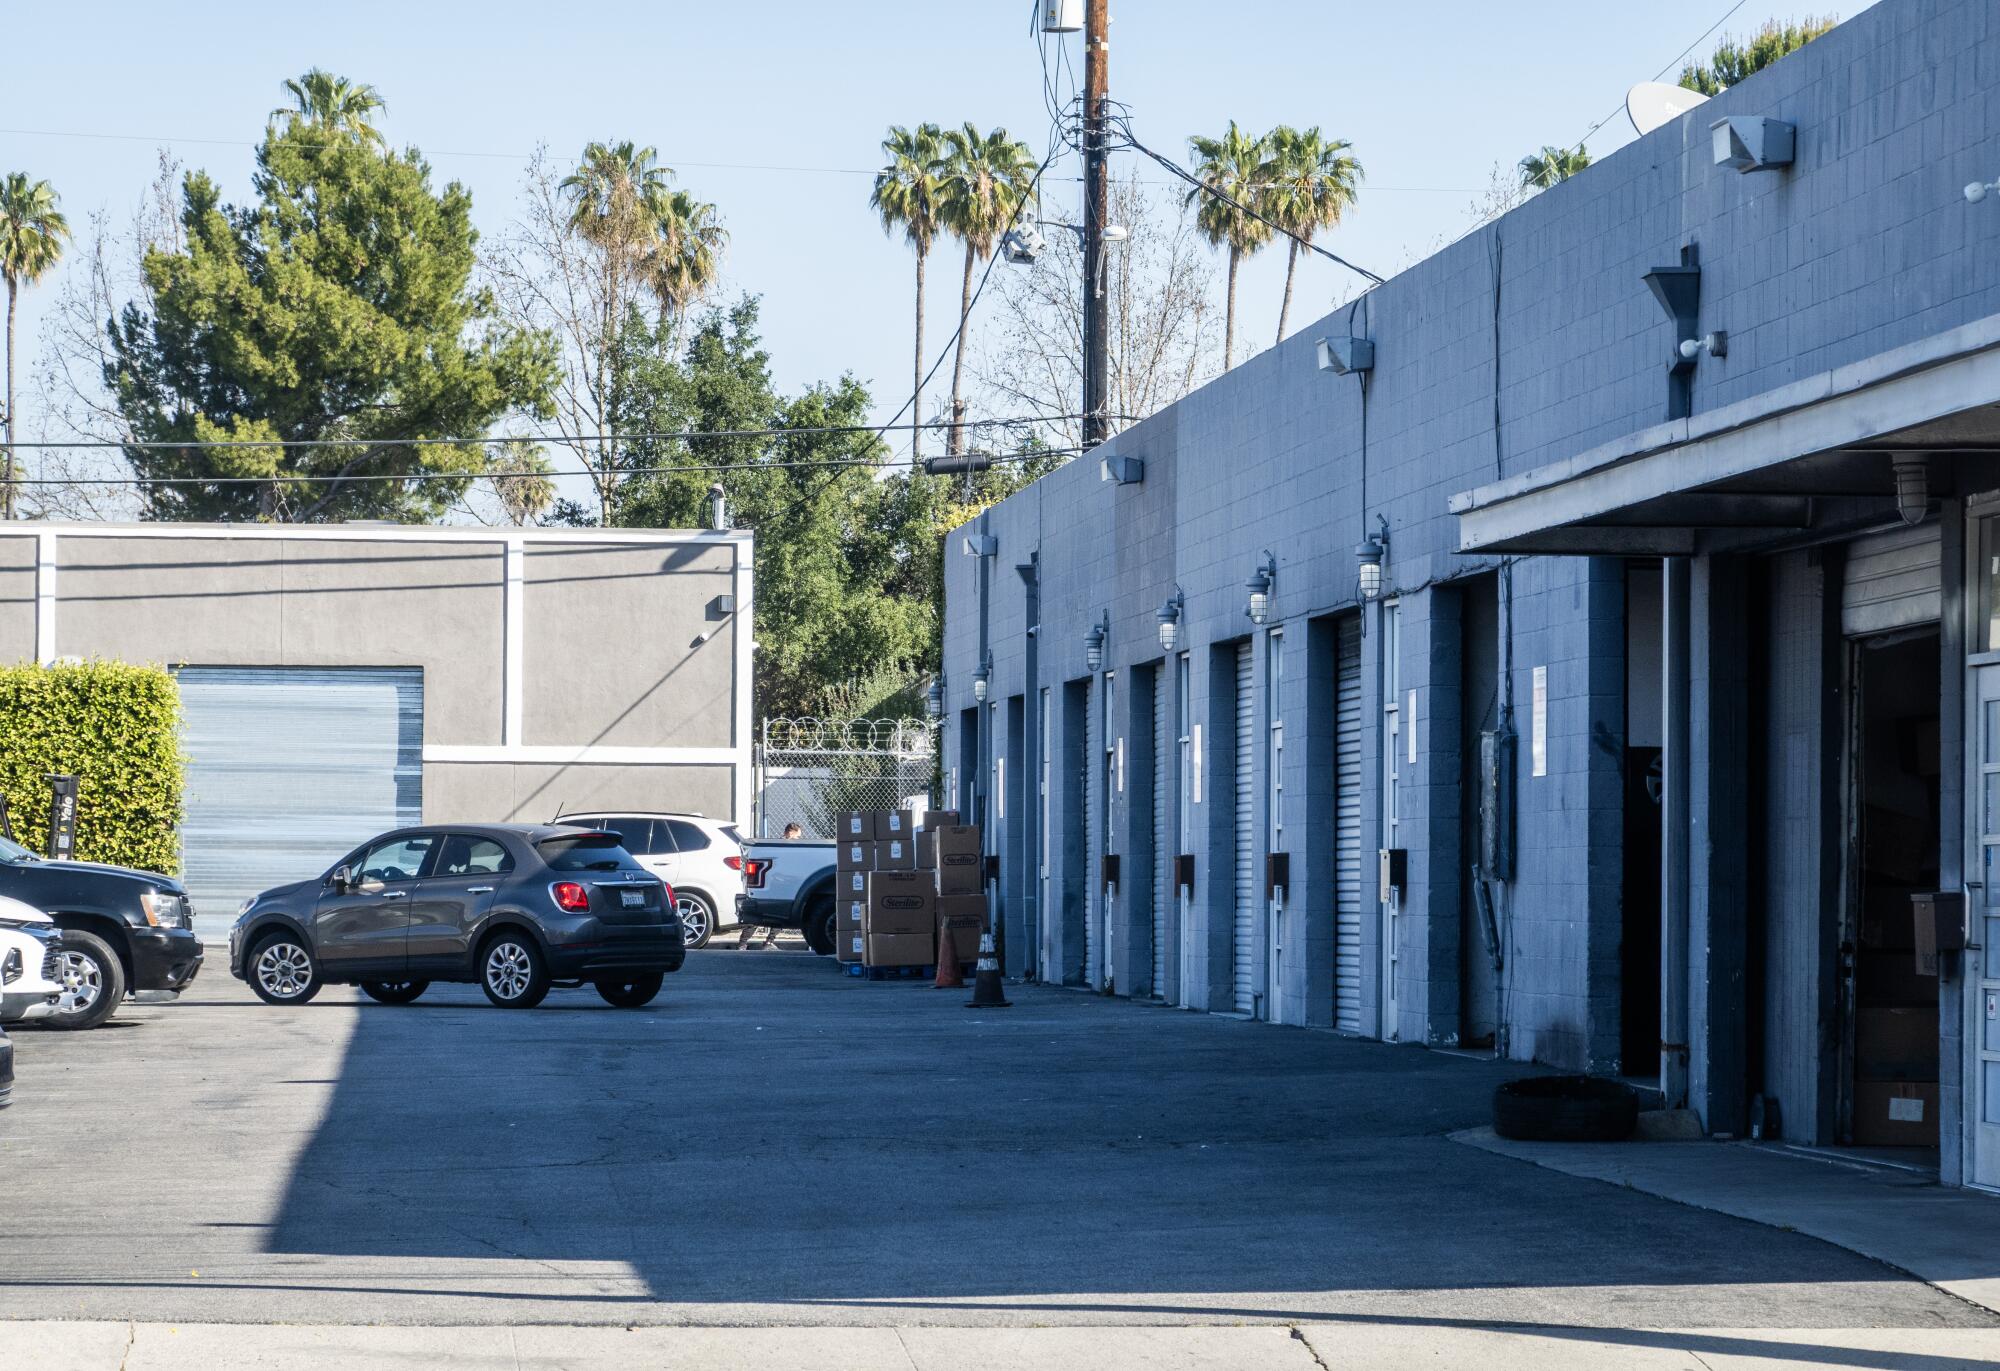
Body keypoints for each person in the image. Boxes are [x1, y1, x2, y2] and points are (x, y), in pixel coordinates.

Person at [738, 823, 802, 948]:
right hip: (777, 885)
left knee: (768, 916)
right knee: (775, 915)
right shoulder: (784, 848)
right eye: (797, 837)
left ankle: (745, 943)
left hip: (773, 885)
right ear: (790, 833)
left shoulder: (776, 846)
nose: (798, 840)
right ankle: (763, 942)